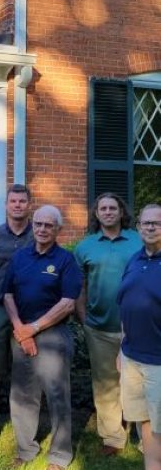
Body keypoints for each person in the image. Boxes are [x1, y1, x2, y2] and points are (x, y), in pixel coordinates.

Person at [3, 205, 82, 470]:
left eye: (49, 225)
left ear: (58, 229)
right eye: (38, 224)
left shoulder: (66, 260)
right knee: (23, 393)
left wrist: (33, 329)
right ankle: (25, 450)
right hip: (21, 332)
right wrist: (19, 329)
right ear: (32, 225)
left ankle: (59, 455)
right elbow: (8, 295)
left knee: (57, 394)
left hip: (53, 335)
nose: (42, 229)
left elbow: (68, 303)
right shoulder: (20, 257)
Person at [74, 192, 142, 455]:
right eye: (103, 208)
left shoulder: (138, 242)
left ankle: (144, 437)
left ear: (121, 212)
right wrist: (83, 318)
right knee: (105, 383)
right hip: (99, 327)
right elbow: (79, 287)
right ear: (97, 213)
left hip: (138, 327)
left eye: (113, 207)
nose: (108, 212)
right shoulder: (85, 247)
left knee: (139, 382)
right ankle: (113, 438)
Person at [0, 184, 33, 442]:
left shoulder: (39, 233)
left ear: (29, 205)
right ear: (6, 205)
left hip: (30, 312)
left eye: (22, 201)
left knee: (26, 370)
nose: (18, 206)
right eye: (13, 201)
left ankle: (24, 429)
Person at [118, 203, 161, 470]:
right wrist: (122, 348)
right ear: (138, 228)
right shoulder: (134, 260)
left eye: (157, 223)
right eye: (146, 223)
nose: (150, 227)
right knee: (144, 419)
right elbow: (125, 305)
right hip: (133, 355)